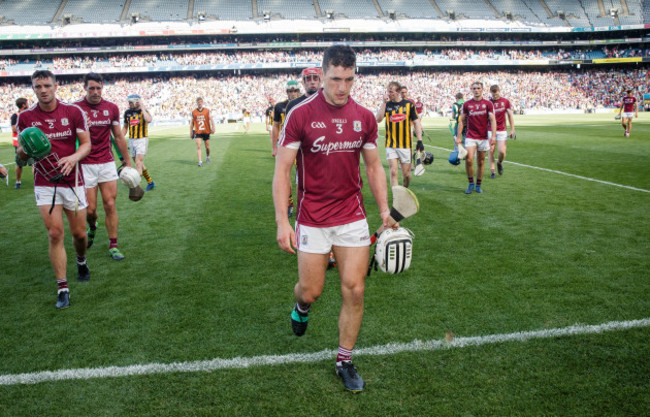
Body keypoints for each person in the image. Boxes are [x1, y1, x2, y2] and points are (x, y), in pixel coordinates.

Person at [273, 45, 393, 393]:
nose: (342, 88)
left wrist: (384, 210)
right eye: (335, 79)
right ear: (322, 76)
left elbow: (373, 166)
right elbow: (282, 170)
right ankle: (300, 305)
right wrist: (283, 221)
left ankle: (344, 360)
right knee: (312, 291)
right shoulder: (300, 114)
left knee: (355, 290)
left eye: (349, 80)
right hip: (312, 218)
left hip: (352, 215)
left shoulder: (365, 117)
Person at [16, 70, 92, 309]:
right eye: (38, 87)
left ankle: (81, 260)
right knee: (55, 234)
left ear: (56, 86)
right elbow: (20, 157)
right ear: (33, 89)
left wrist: (73, 157)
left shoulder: (73, 111)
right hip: (44, 182)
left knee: (79, 234)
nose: (43, 90)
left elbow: (87, 144)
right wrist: (24, 152)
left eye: (47, 85)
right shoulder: (25, 118)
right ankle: (63, 287)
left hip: (73, 181)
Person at [74, 72, 132, 261]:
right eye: (92, 88)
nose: (96, 92)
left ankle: (113, 245)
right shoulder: (75, 109)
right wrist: (82, 127)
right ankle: (93, 226)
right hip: (85, 164)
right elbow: (70, 137)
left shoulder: (111, 108)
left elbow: (118, 136)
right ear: (85, 88)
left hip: (106, 162)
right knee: (90, 210)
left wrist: (127, 162)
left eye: (99, 88)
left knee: (110, 203)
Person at [376, 81, 423, 188]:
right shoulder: (387, 105)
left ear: (398, 92)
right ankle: (397, 198)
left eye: (391, 92)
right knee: (393, 171)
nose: (388, 94)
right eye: (387, 91)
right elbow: (378, 119)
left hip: (405, 145)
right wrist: (383, 103)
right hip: (391, 144)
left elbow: (416, 122)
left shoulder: (409, 105)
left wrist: (419, 140)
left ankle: (405, 190)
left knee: (406, 175)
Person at [456, 81, 496, 194]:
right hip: (470, 136)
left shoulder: (488, 104)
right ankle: (470, 184)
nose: (476, 90)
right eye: (474, 88)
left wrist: (493, 136)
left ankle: (478, 185)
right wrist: (458, 136)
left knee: (481, 162)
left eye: (478, 88)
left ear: (482, 89)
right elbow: (461, 121)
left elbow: (493, 120)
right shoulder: (467, 104)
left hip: (483, 137)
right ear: (471, 90)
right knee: (469, 160)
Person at [272, 79, 301, 217]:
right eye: (290, 91)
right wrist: (274, 147)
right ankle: (289, 202)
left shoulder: (304, 103)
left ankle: (302, 202)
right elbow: (276, 126)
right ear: (286, 92)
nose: (293, 93)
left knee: (302, 177)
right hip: (286, 145)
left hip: (302, 145)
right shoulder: (279, 106)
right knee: (285, 176)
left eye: (295, 90)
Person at [123, 94, 155, 191]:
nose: (129, 104)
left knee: (138, 163)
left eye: (131, 102)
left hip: (141, 139)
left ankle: (137, 188)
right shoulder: (127, 112)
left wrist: (142, 107)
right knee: (139, 164)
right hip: (132, 140)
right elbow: (125, 127)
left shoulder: (143, 111)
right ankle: (150, 182)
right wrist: (119, 137)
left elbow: (149, 120)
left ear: (136, 102)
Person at [488, 85, 515, 179]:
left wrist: (512, 129)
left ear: (499, 91)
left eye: (496, 92)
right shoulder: (488, 103)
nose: (495, 95)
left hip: (502, 130)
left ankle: (499, 163)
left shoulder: (505, 102)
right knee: (491, 150)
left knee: (502, 152)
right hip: (490, 130)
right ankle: (493, 172)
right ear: (490, 92)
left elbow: (510, 115)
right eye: (493, 92)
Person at [11, 98, 30, 189]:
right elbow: (14, 129)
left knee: (35, 163)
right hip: (19, 144)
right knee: (19, 164)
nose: (28, 104)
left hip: (31, 143)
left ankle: (37, 182)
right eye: (27, 103)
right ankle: (18, 182)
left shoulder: (30, 114)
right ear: (23, 105)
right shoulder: (15, 115)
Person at [190, 97, 215, 167]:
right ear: (197, 103)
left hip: (206, 131)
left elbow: (211, 119)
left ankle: (207, 157)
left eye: (201, 101)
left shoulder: (207, 111)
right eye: (198, 102)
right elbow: (192, 123)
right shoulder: (193, 112)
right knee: (198, 146)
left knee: (207, 147)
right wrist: (191, 132)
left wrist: (213, 127)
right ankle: (200, 161)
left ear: (202, 102)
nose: (200, 103)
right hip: (198, 131)